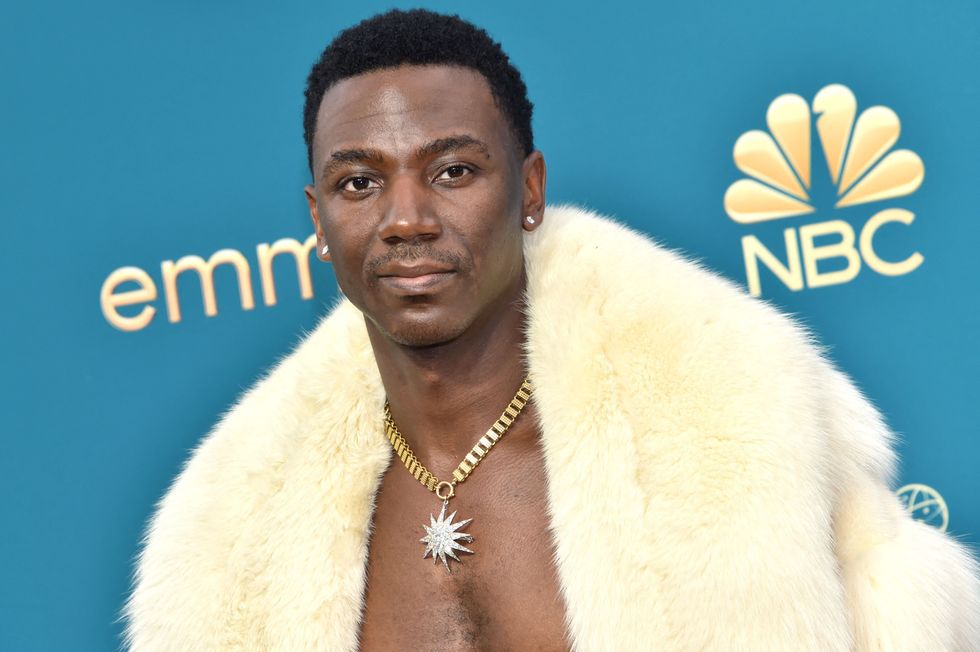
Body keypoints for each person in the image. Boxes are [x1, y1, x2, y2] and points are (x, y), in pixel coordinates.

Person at [121, 8, 980, 651]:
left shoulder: (741, 428)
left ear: (529, 189)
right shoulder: (228, 540)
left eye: (453, 171)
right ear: (317, 218)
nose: (405, 219)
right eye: (359, 184)